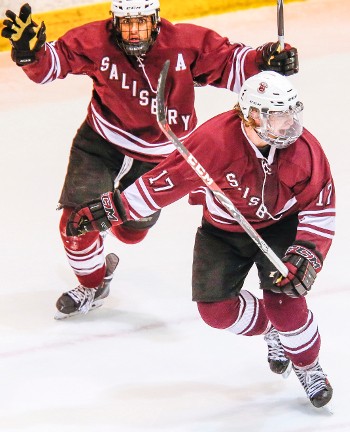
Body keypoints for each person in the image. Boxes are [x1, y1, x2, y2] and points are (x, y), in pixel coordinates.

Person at [1, 0, 299, 319]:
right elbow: (52, 65)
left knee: (133, 232)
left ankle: (109, 226)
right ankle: (92, 284)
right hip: (101, 143)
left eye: (141, 22)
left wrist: (266, 61)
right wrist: (31, 54)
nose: (134, 32)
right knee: (76, 223)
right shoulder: (94, 40)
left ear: (156, 20)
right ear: (114, 22)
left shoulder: (186, 43)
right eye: (126, 24)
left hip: (161, 157)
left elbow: (233, 64)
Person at [69, 71, 335, 408]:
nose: (289, 125)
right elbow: (164, 181)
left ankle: (308, 366)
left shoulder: (305, 151)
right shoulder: (214, 141)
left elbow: (320, 208)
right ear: (252, 114)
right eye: (278, 115)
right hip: (223, 230)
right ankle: (270, 328)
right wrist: (114, 208)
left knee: (287, 299)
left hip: (282, 226)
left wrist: (308, 253)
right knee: (216, 311)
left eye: (291, 114)